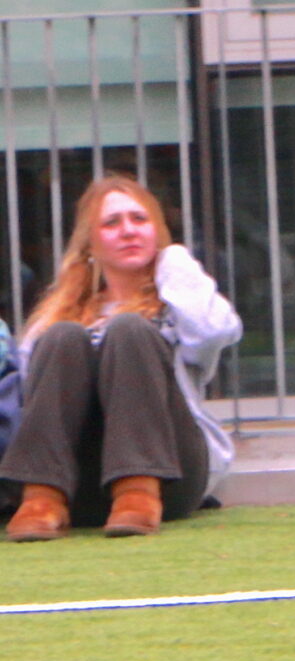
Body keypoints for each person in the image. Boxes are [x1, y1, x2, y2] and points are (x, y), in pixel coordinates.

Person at [3, 175, 240, 541]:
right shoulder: (58, 316)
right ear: (91, 243)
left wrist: (174, 259)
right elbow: (29, 401)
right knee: (64, 335)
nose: (128, 230)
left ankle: (137, 492)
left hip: (170, 477)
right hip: (78, 482)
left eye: (140, 220)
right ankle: (41, 500)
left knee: (129, 329)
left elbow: (216, 333)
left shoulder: (177, 301)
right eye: (112, 223)